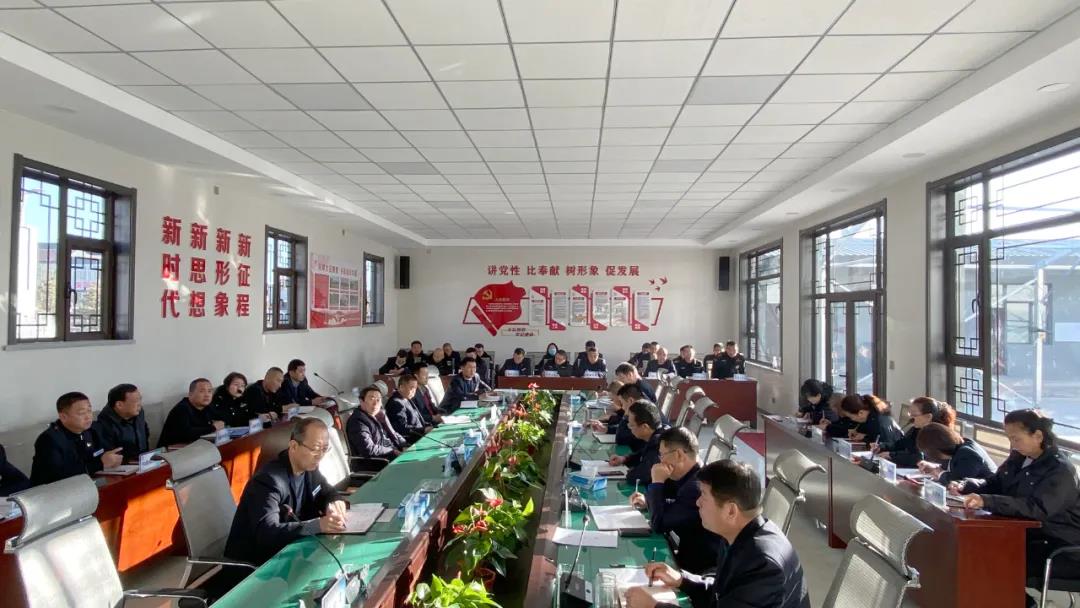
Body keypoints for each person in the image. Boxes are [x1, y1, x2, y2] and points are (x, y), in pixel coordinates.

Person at [627, 460, 810, 608]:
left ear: (731, 511)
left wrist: (654, 606)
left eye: (703, 496)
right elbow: (725, 593)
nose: (697, 502)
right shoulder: (739, 533)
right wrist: (682, 580)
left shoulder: (762, 564)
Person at [954, 409, 1080, 608]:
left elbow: (1037, 509)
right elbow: (995, 483)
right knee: (975, 551)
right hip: (1029, 536)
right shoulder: (1019, 457)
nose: (1012, 444)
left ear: (1038, 436)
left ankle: (1024, 604)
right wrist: (967, 486)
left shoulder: (1060, 470)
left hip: (1060, 546)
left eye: (1016, 439)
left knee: (992, 560)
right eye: (1009, 439)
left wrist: (988, 501)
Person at [225, 417, 347, 565]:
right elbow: (267, 532)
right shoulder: (268, 480)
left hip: (295, 554)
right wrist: (318, 525)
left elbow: (327, 492)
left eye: (324, 449)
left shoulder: (310, 469)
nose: (320, 456)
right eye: (315, 449)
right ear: (294, 446)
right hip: (258, 566)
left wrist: (335, 502)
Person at [630, 427, 726, 574]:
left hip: (699, 568)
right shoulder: (694, 474)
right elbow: (678, 506)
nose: (660, 460)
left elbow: (659, 524)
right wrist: (648, 501)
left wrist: (657, 482)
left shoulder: (695, 487)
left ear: (679, 455)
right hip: (690, 555)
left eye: (662, 455)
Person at [31, 392, 122, 486]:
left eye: (89, 411)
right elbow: (58, 475)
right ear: (63, 417)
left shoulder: (92, 430)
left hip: (88, 484)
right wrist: (100, 463)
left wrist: (113, 458)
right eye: (82, 413)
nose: (88, 417)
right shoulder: (49, 439)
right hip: (54, 491)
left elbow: (104, 452)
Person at [876, 397, 956, 467]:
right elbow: (901, 444)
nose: (911, 419)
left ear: (928, 417)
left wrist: (891, 455)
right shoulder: (916, 429)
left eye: (914, 415)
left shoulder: (937, 435)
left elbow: (918, 458)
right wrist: (882, 446)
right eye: (910, 414)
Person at [609, 400, 669, 487]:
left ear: (644, 427)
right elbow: (643, 453)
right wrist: (624, 459)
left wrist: (630, 472)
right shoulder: (660, 431)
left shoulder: (659, 444)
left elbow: (639, 477)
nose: (629, 428)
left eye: (631, 425)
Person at [916, 422, 995, 484]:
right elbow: (953, 469)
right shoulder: (957, 448)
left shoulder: (967, 454)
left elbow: (959, 480)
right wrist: (933, 467)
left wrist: (940, 474)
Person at [346, 386, 406, 465]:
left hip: (394, 454)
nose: (376, 403)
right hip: (380, 462)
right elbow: (368, 449)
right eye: (372, 399)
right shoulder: (358, 421)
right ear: (361, 401)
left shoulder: (378, 415)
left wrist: (405, 445)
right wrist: (392, 451)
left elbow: (393, 433)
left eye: (378, 400)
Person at [158, 379, 226, 447]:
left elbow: (224, 418)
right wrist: (212, 428)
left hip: (197, 446)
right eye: (202, 391)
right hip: (173, 450)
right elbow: (186, 434)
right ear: (190, 394)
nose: (207, 395)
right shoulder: (182, 408)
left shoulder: (207, 406)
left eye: (209, 391)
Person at [94, 383, 150, 461]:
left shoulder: (138, 412)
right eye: (136, 401)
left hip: (144, 460)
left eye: (140, 399)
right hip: (124, 465)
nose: (139, 404)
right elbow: (110, 456)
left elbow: (145, 432)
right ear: (119, 405)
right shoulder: (104, 425)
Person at [833, 394, 902, 445]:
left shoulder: (878, 421)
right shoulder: (870, 416)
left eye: (851, 417)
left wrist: (865, 438)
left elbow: (883, 443)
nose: (852, 420)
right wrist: (860, 434)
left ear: (860, 413)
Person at [385, 374, 431, 442]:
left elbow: (418, 420)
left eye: (415, 388)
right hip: (412, 439)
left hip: (421, 434)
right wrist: (423, 430)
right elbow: (402, 427)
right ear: (401, 387)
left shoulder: (407, 398)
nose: (414, 391)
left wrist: (429, 426)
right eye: (411, 388)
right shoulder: (396, 403)